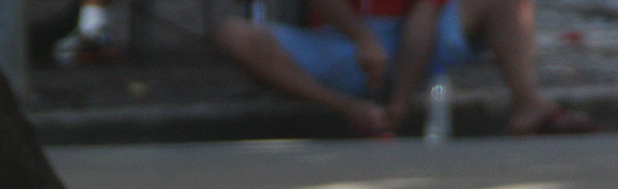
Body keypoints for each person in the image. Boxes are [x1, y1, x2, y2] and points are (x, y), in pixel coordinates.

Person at [214, 0, 595, 136]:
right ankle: (350, 108)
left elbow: (423, 16)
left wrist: (400, 99)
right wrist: (363, 40)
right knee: (234, 34)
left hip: (413, 40)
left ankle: (528, 104)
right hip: (337, 40)